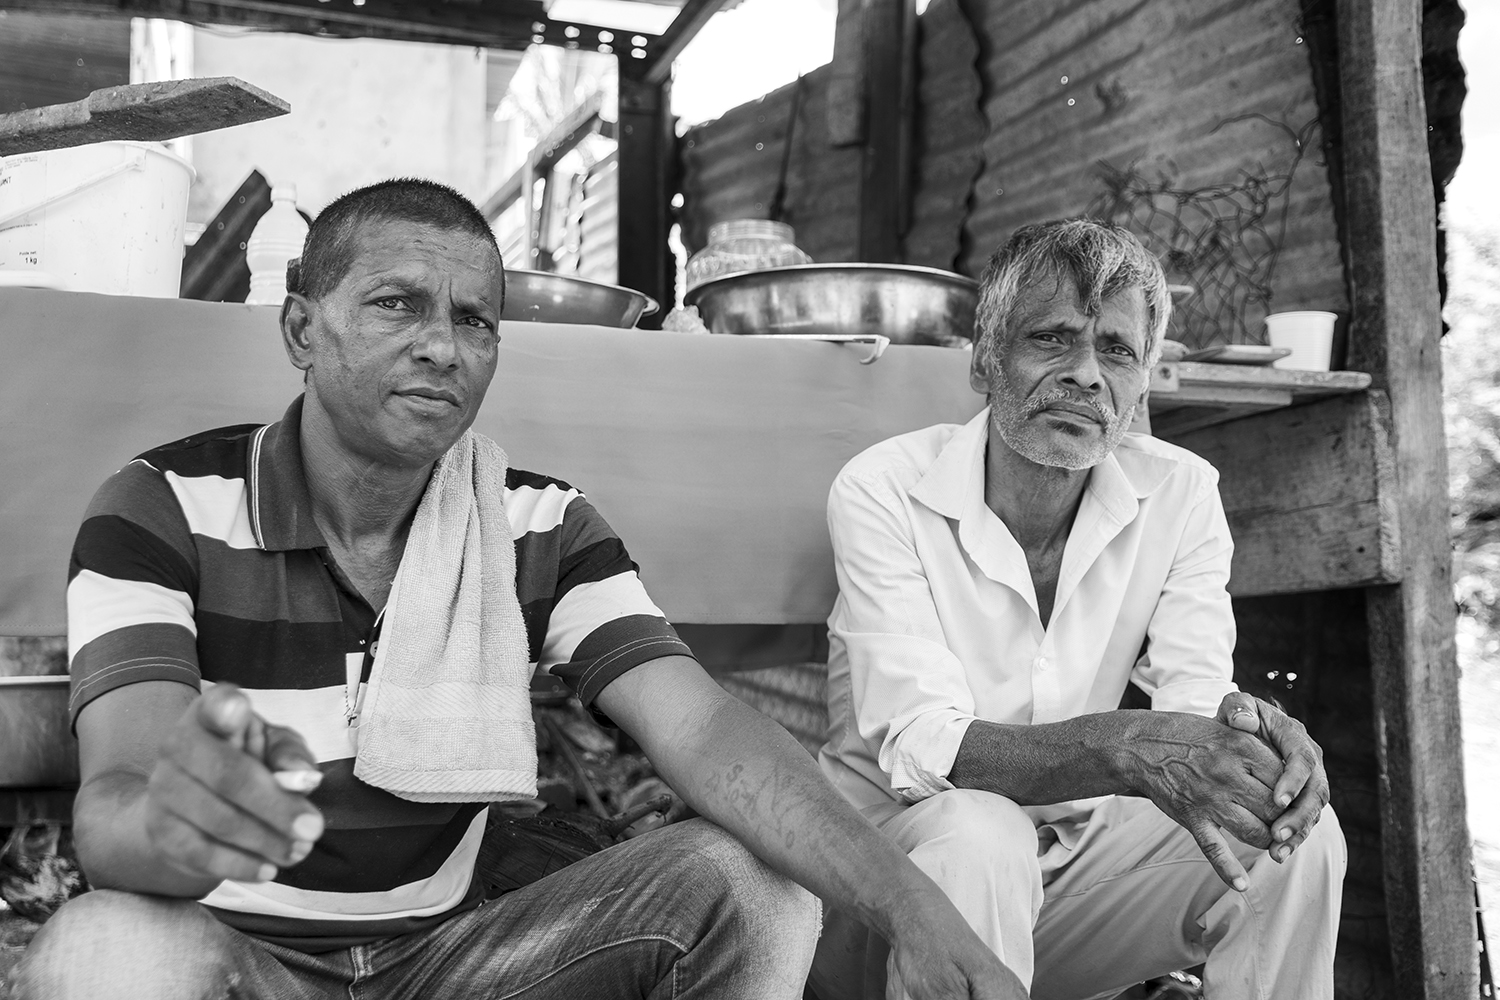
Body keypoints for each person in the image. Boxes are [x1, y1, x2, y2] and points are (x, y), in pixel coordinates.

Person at [13, 179, 1022, 1000]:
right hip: (238, 964)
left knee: (751, 882)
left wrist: (914, 908)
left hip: (455, 965)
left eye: (475, 320)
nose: (443, 346)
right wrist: (177, 828)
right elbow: (116, 808)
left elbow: (708, 734)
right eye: (397, 303)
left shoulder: (536, 522)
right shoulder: (160, 507)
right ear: (301, 330)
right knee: (104, 948)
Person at [811, 220, 1346, 1000]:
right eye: (1053, 339)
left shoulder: (1182, 491)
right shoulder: (883, 489)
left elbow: (1192, 712)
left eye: (1117, 352)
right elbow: (924, 748)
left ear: (1143, 383)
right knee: (979, 832)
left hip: (1064, 890)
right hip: (889, 896)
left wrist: (1248, 741)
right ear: (984, 361)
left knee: (1288, 833)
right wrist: (1125, 744)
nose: (1087, 375)